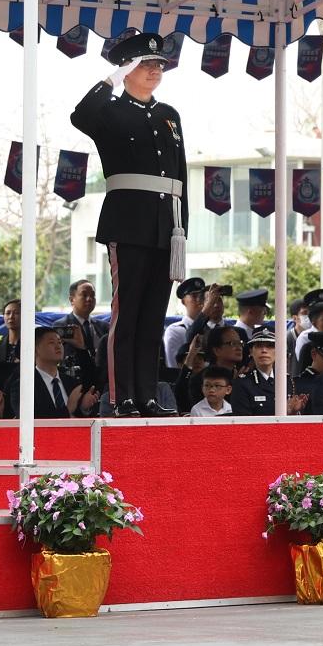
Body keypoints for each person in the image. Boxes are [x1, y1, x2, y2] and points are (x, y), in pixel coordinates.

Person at [71, 29, 188, 417]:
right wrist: (112, 78)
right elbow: (80, 115)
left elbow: (180, 176)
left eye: (158, 64)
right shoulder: (110, 112)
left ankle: (147, 395)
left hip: (163, 226)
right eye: (145, 64)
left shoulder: (169, 115)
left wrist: (180, 231)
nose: (155, 70)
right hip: (128, 224)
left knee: (153, 316)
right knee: (127, 316)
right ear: (128, 69)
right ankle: (122, 397)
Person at [11, 326, 94, 419]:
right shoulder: (23, 386)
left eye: (59, 342)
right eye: (51, 342)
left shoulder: (71, 382)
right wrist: (68, 409)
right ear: (35, 349)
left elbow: (94, 380)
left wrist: (83, 408)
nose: (58, 346)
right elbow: (31, 420)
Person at [62, 279, 106, 390]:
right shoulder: (62, 326)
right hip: (77, 383)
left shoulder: (105, 327)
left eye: (93, 295)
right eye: (84, 295)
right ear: (72, 300)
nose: (89, 299)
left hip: (103, 382)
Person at [162, 277, 211, 368]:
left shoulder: (210, 329)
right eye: (194, 296)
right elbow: (173, 366)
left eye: (202, 296)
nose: (199, 300)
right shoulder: (175, 331)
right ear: (183, 302)